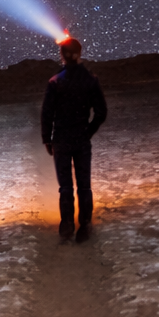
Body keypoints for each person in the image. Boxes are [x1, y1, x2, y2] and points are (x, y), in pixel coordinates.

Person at [41, 36, 107, 242]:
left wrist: (47, 139)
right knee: (84, 185)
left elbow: (47, 113)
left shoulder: (55, 82)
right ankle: (85, 225)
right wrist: (88, 132)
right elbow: (101, 111)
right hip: (81, 138)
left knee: (66, 186)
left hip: (61, 138)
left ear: (62, 56)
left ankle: (67, 225)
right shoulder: (90, 80)